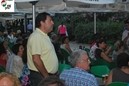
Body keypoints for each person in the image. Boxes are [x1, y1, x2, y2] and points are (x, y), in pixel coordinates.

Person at [27, 12, 58, 86]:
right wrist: (47, 77)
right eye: (50, 20)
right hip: (41, 76)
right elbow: (36, 60)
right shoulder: (37, 36)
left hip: (46, 76)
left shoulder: (44, 36)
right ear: (42, 23)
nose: (52, 23)